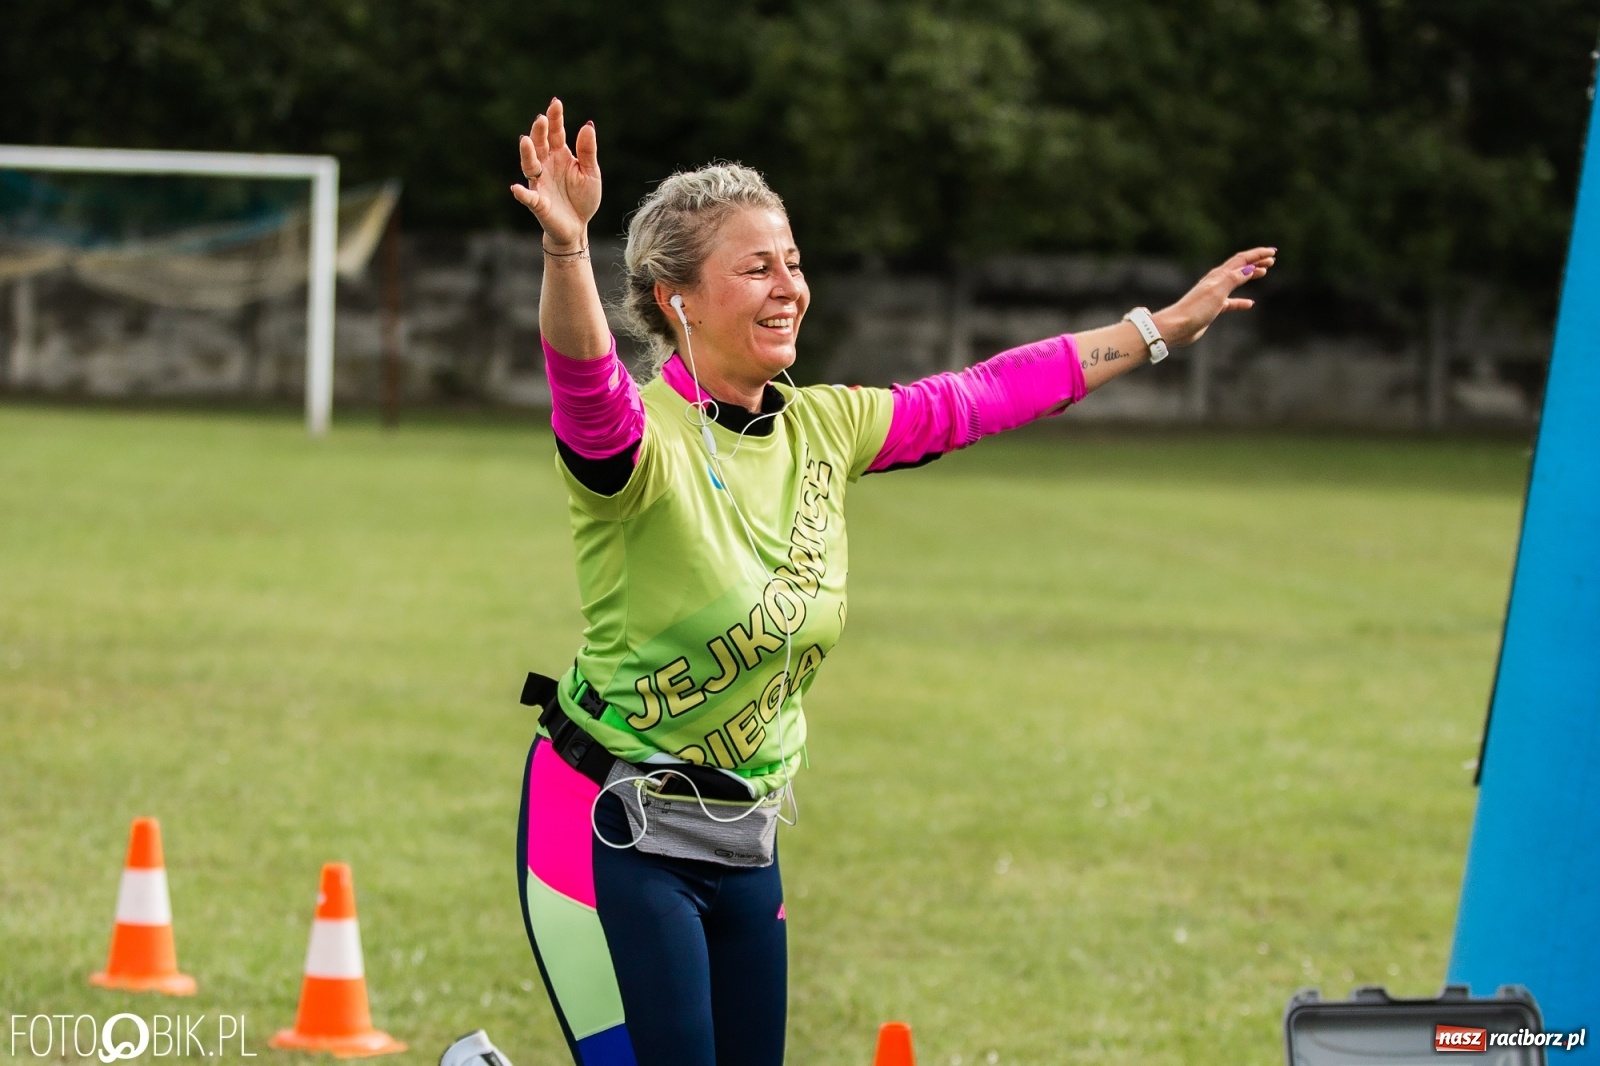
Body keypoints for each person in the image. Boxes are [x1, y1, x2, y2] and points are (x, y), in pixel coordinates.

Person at [465, 98, 1273, 1066]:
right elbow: (585, 382)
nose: (790, 288)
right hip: (611, 825)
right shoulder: (639, 443)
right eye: (756, 268)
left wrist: (1158, 329)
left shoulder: (826, 427)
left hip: (744, 830)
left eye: (794, 262)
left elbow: (984, 392)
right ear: (677, 299)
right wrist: (566, 249)